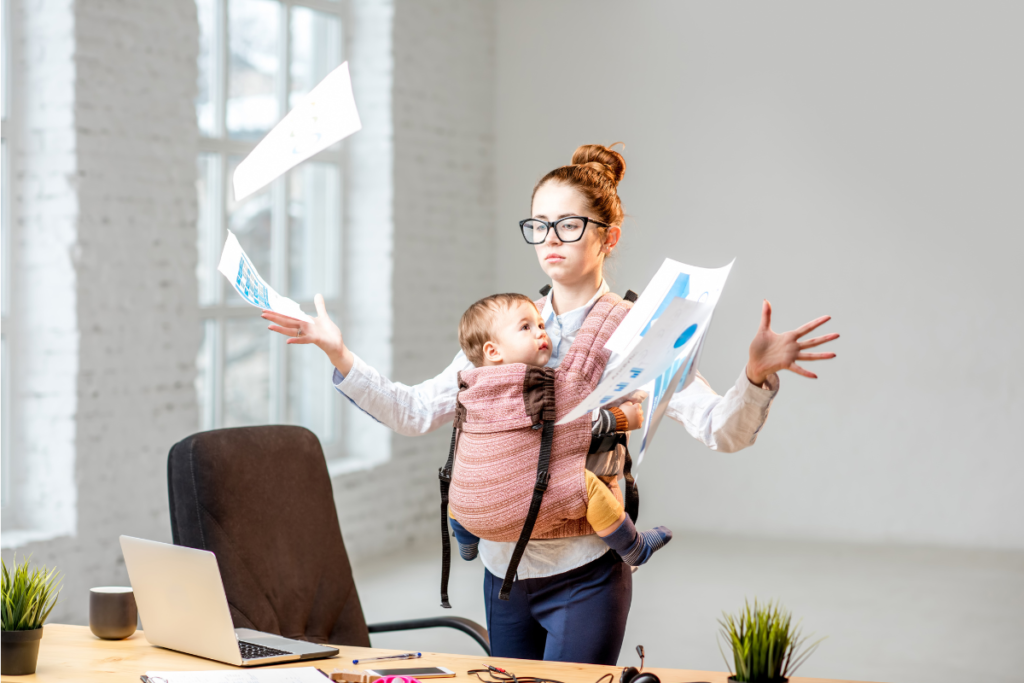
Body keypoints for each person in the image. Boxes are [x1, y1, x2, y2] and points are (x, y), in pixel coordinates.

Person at [261, 143, 839, 665]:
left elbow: (723, 430)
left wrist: (755, 376)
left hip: (584, 573)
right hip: (502, 574)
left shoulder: (641, 331)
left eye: (568, 224)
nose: (551, 240)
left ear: (608, 236)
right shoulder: (505, 328)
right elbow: (414, 412)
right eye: (538, 226)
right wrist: (339, 354)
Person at [447, 292, 671, 568]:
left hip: (469, 513)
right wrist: (621, 418)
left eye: (541, 325)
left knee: (462, 481)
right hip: (517, 512)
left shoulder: (469, 389)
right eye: (526, 327)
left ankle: (466, 542)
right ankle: (632, 546)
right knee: (590, 487)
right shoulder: (531, 384)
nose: (541, 333)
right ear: (493, 351)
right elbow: (571, 423)